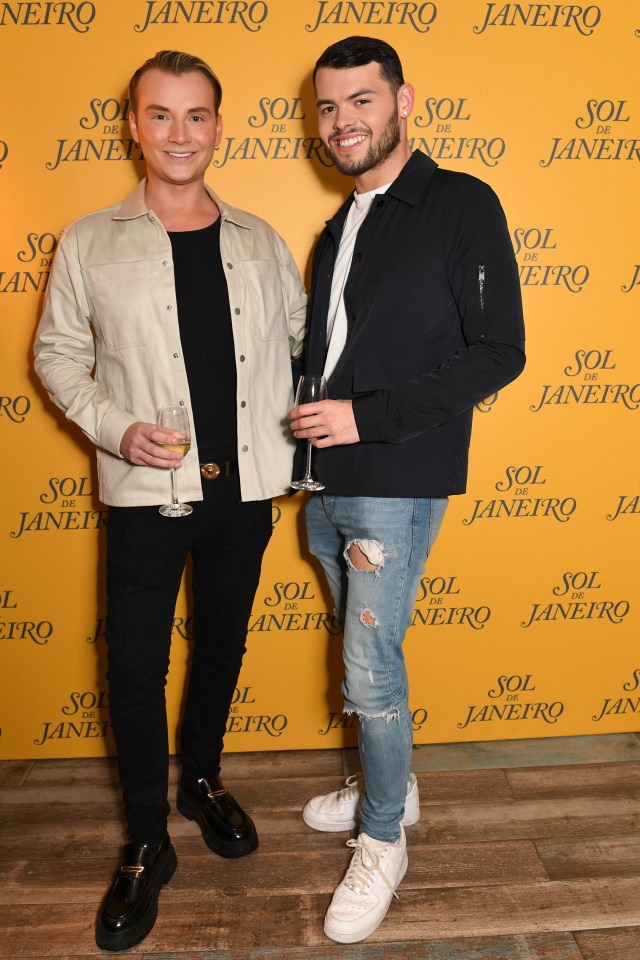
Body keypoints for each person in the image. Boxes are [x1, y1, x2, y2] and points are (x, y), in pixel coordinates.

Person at [34, 50, 306, 952]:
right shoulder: (88, 240)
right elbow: (57, 358)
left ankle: (203, 780)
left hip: (247, 494)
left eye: (197, 116)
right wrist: (117, 428)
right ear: (133, 127)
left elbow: (309, 349)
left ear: (219, 127)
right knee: (135, 669)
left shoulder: (262, 240)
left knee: (222, 645)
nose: (180, 133)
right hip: (148, 495)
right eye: (161, 115)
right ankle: (148, 839)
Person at [288, 36, 525, 944]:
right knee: (364, 664)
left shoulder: (462, 202)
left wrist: (365, 417)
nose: (344, 120)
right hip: (327, 483)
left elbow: (498, 351)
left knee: (367, 669)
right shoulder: (338, 227)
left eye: (362, 100)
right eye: (328, 106)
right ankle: (392, 785)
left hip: (396, 474)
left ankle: (384, 837)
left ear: (402, 101)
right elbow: (332, 359)